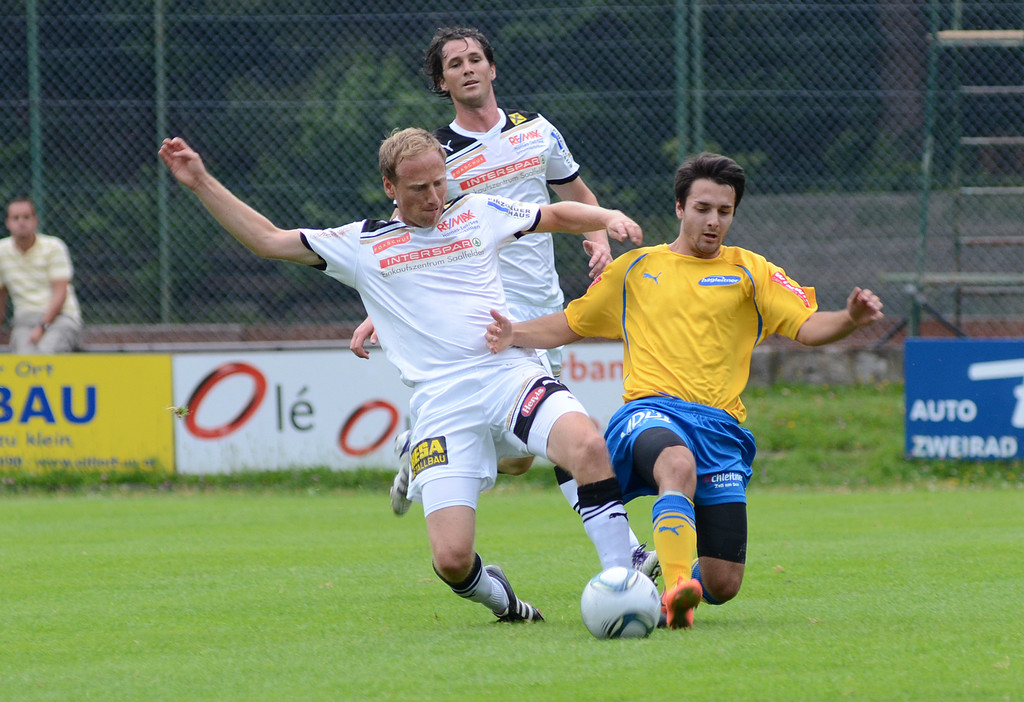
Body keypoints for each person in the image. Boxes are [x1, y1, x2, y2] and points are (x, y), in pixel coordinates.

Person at [159, 127, 644, 624]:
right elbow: (268, 240)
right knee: (452, 561)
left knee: (587, 446)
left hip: (508, 373)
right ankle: (505, 602)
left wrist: (606, 216)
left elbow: (554, 215)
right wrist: (201, 182)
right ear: (390, 187)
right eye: (419, 189)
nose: (434, 197)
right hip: (442, 404)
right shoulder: (362, 244)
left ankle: (620, 581)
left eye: (439, 182)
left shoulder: (477, 211)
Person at [485, 152, 885, 629]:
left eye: (724, 211)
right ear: (679, 207)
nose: (713, 221)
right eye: (702, 208)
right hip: (650, 413)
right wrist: (513, 334)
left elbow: (809, 327)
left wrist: (850, 319)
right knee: (676, 463)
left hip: (719, 428)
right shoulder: (637, 269)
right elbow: (572, 323)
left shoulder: (752, 271)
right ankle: (676, 593)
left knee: (723, 582)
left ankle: (676, 583)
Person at [349, 27, 658, 577]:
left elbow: (576, 196)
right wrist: (379, 312)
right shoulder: (435, 156)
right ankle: (627, 552)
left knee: (518, 459)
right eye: (454, 64)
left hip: (542, 302)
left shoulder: (537, 130)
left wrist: (598, 236)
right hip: (484, 314)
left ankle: (423, 445)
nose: (467, 68)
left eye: (475, 58)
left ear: (492, 69)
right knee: (568, 436)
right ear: (441, 83)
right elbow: (406, 244)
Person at [0, 197, 83, 353]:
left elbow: (60, 292)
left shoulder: (54, 247)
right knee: (24, 360)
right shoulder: (1, 252)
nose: (21, 222)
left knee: (46, 354)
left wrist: (42, 326)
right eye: (15, 218)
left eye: (26, 217)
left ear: (35, 221)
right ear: (7, 223)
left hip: (60, 319)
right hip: (24, 322)